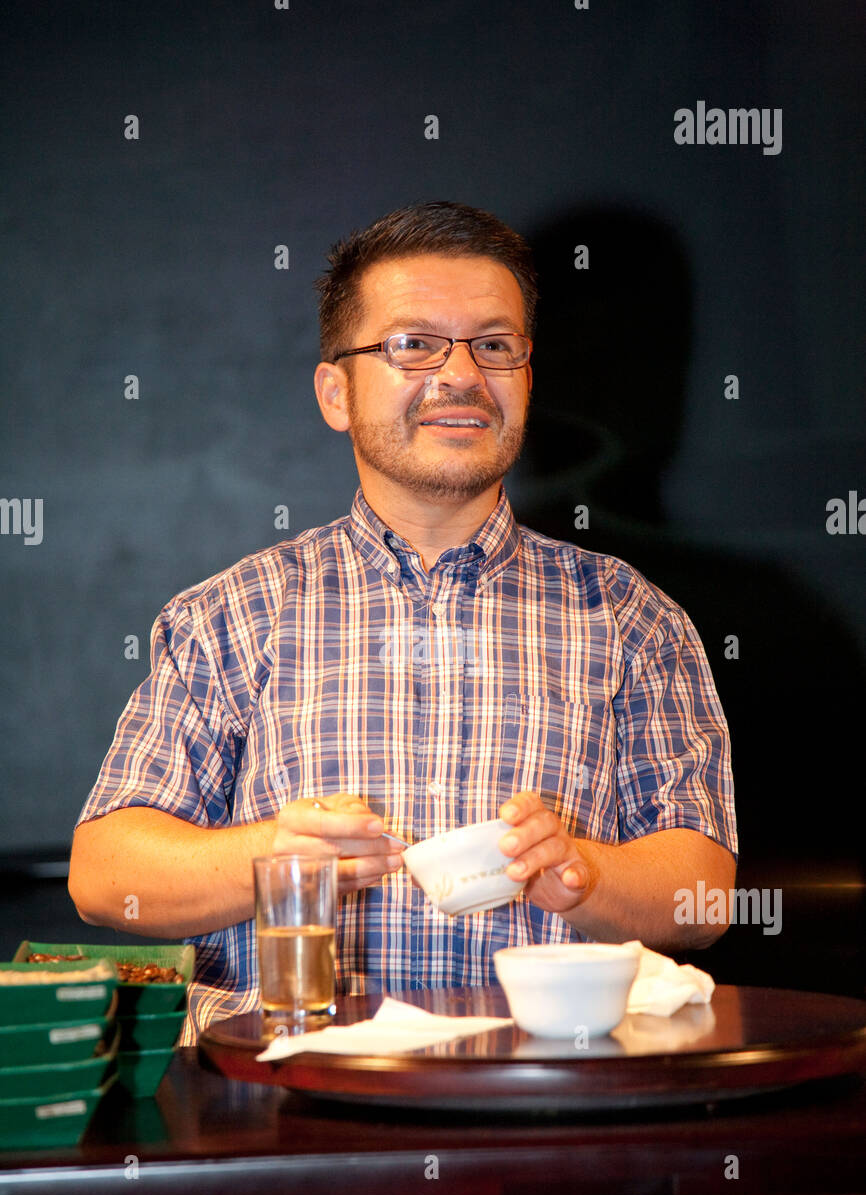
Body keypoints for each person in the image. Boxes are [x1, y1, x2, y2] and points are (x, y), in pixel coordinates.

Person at [68, 201, 737, 1042]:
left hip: (551, 1096)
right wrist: (273, 854)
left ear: (529, 379)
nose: (461, 376)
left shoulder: (633, 617)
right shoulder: (232, 615)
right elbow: (103, 875)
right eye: (412, 345)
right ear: (336, 392)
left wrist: (583, 872)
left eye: (494, 346)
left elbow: (703, 894)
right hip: (282, 1103)